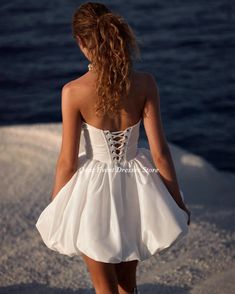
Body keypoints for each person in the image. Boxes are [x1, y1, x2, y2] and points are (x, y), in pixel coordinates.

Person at [35, 2, 191, 294]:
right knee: (126, 285)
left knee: (103, 287)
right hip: (137, 190)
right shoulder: (145, 83)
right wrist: (176, 203)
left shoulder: (73, 92)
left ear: (81, 42)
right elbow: (160, 153)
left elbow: (67, 161)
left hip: (93, 194)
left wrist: (57, 205)